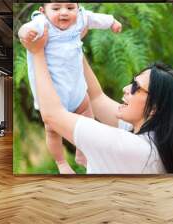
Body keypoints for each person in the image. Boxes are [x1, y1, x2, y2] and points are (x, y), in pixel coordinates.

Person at [20, 26, 173, 174]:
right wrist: (72, 43)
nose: (125, 89)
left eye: (135, 87)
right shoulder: (153, 141)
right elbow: (96, 98)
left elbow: (52, 115)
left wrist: (37, 53)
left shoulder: (133, 149)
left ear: (155, 107)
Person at [18, 3, 122, 174]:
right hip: (53, 93)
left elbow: (96, 19)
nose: (64, 12)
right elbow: (24, 29)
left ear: (78, 8)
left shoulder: (81, 19)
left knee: (88, 115)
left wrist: (112, 22)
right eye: (56, 8)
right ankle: (61, 163)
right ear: (43, 11)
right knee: (52, 131)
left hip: (75, 88)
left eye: (70, 8)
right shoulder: (41, 23)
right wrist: (25, 34)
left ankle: (82, 152)